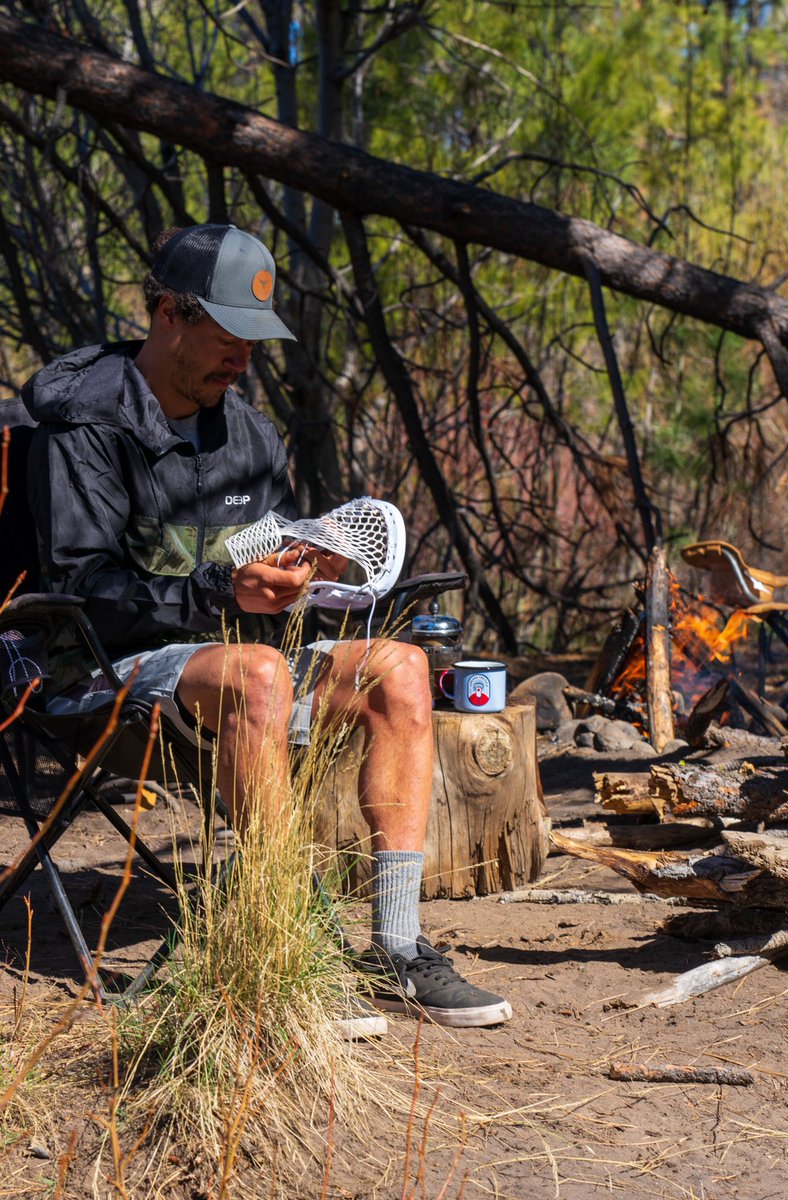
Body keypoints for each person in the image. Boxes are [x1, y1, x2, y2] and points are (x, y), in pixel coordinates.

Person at [22, 223, 512, 1035]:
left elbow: (261, 570)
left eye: (254, 341)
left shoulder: (246, 433)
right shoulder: (83, 428)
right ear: (167, 314)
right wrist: (226, 588)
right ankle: (281, 945)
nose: (242, 358)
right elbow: (81, 588)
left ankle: (396, 946)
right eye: (227, 336)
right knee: (260, 675)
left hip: (241, 658)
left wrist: (304, 575)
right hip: (101, 673)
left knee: (399, 667)